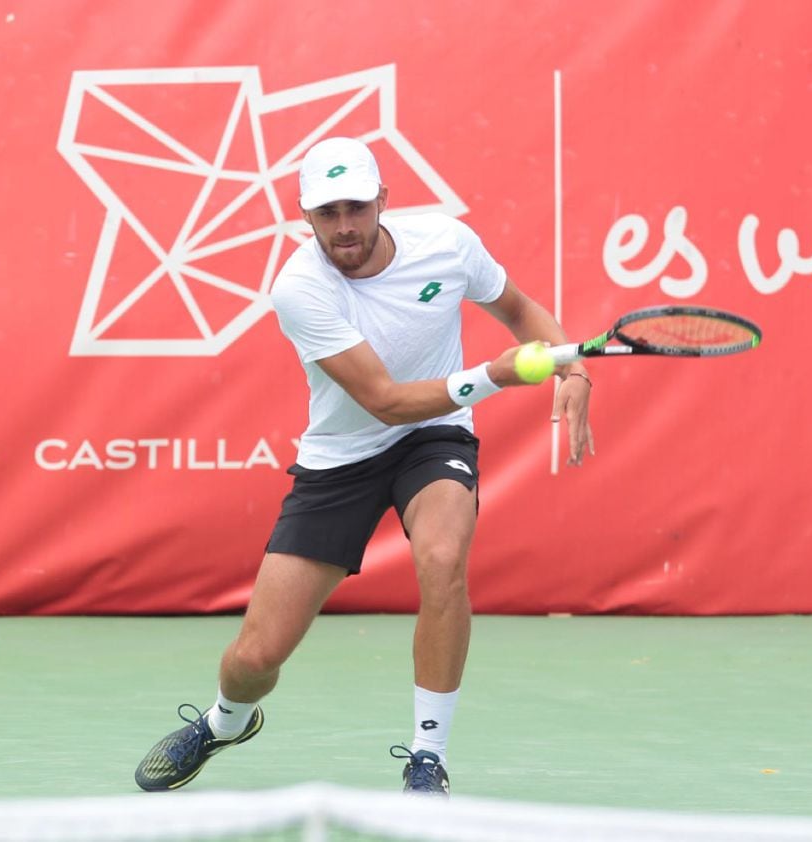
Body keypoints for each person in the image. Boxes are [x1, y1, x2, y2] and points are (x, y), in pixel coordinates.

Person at [134, 136, 593, 796]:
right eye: (327, 213)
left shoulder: (446, 243)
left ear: (383, 201)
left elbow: (518, 311)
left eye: (356, 207)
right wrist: (492, 377)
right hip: (343, 456)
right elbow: (383, 401)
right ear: (305, 216)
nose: (344, 226)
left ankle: (427, 759)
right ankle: (223, 722)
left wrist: (571, 365)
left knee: (442, 558)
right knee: (254, 659)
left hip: (434, 437)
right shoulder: (298, 289)